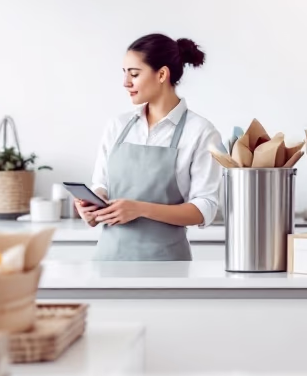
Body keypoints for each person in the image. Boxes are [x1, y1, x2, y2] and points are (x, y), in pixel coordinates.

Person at [78, 34, 222, 261]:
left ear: (162, 74)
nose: (126, 82)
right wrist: (92, 206)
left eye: (134, 74)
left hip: (166, 266)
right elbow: (102, 185)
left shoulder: (201, 132)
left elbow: (205, 208)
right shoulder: (118, 125)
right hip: (108, 261)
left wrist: (140, 209)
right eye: (124, 73)